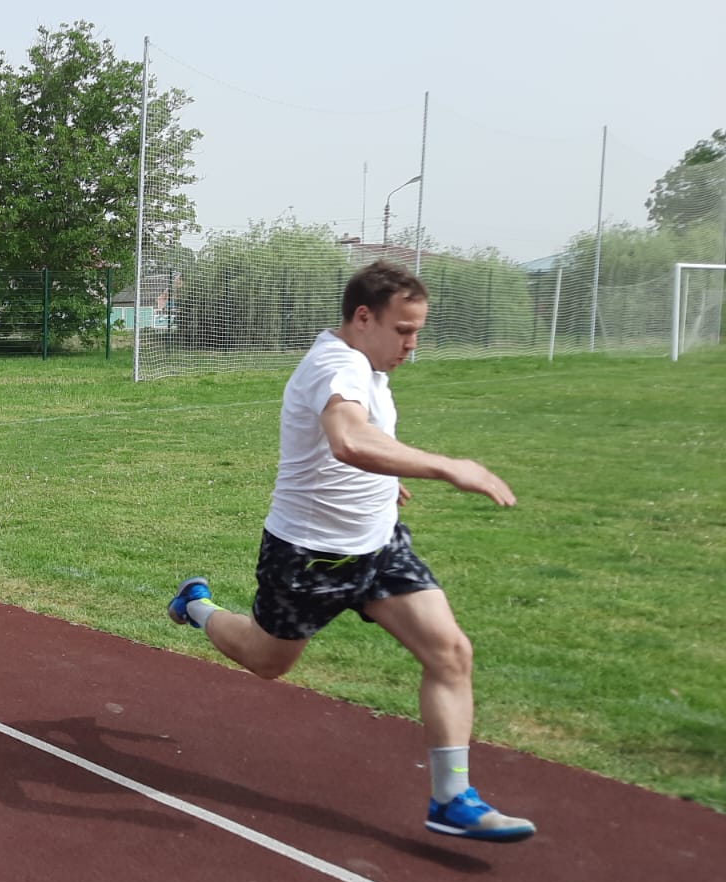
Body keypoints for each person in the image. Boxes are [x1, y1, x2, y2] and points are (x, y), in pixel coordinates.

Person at [168, 260, 536, 843]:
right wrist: (449, 466)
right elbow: (347, 438)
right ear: (363, 317)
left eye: (417, 331)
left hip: (380, 548)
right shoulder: (334, 364)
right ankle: (195, 604)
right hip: (311, 557)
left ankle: (451, 799)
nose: (412, 345)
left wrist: (385, 480)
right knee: (267, 661)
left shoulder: (368, 368)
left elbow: (366, 439)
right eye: (403, 330)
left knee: (450, 653)